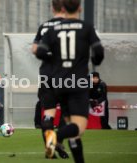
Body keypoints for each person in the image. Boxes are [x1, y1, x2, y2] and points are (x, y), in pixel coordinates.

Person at [36, 0, 104, 162]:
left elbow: (39, 52)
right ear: (80, 8)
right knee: (78, 128)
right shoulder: (86, 27)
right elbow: (99, 54)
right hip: (77, 82)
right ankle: (56, 138)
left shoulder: (53, 29)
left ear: (63, 9)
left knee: (71, 127)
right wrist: (92, 59)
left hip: (59, 82)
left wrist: (56, 61)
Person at [32, 0, 69, 159]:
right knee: (68, 113)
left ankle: (50, 149)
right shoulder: (71, 26)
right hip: (66, 75)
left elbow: (35, 49)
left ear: (52, 8)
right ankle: (59, 140)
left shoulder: (44, 26)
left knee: (48, 114)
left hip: (47, 74)